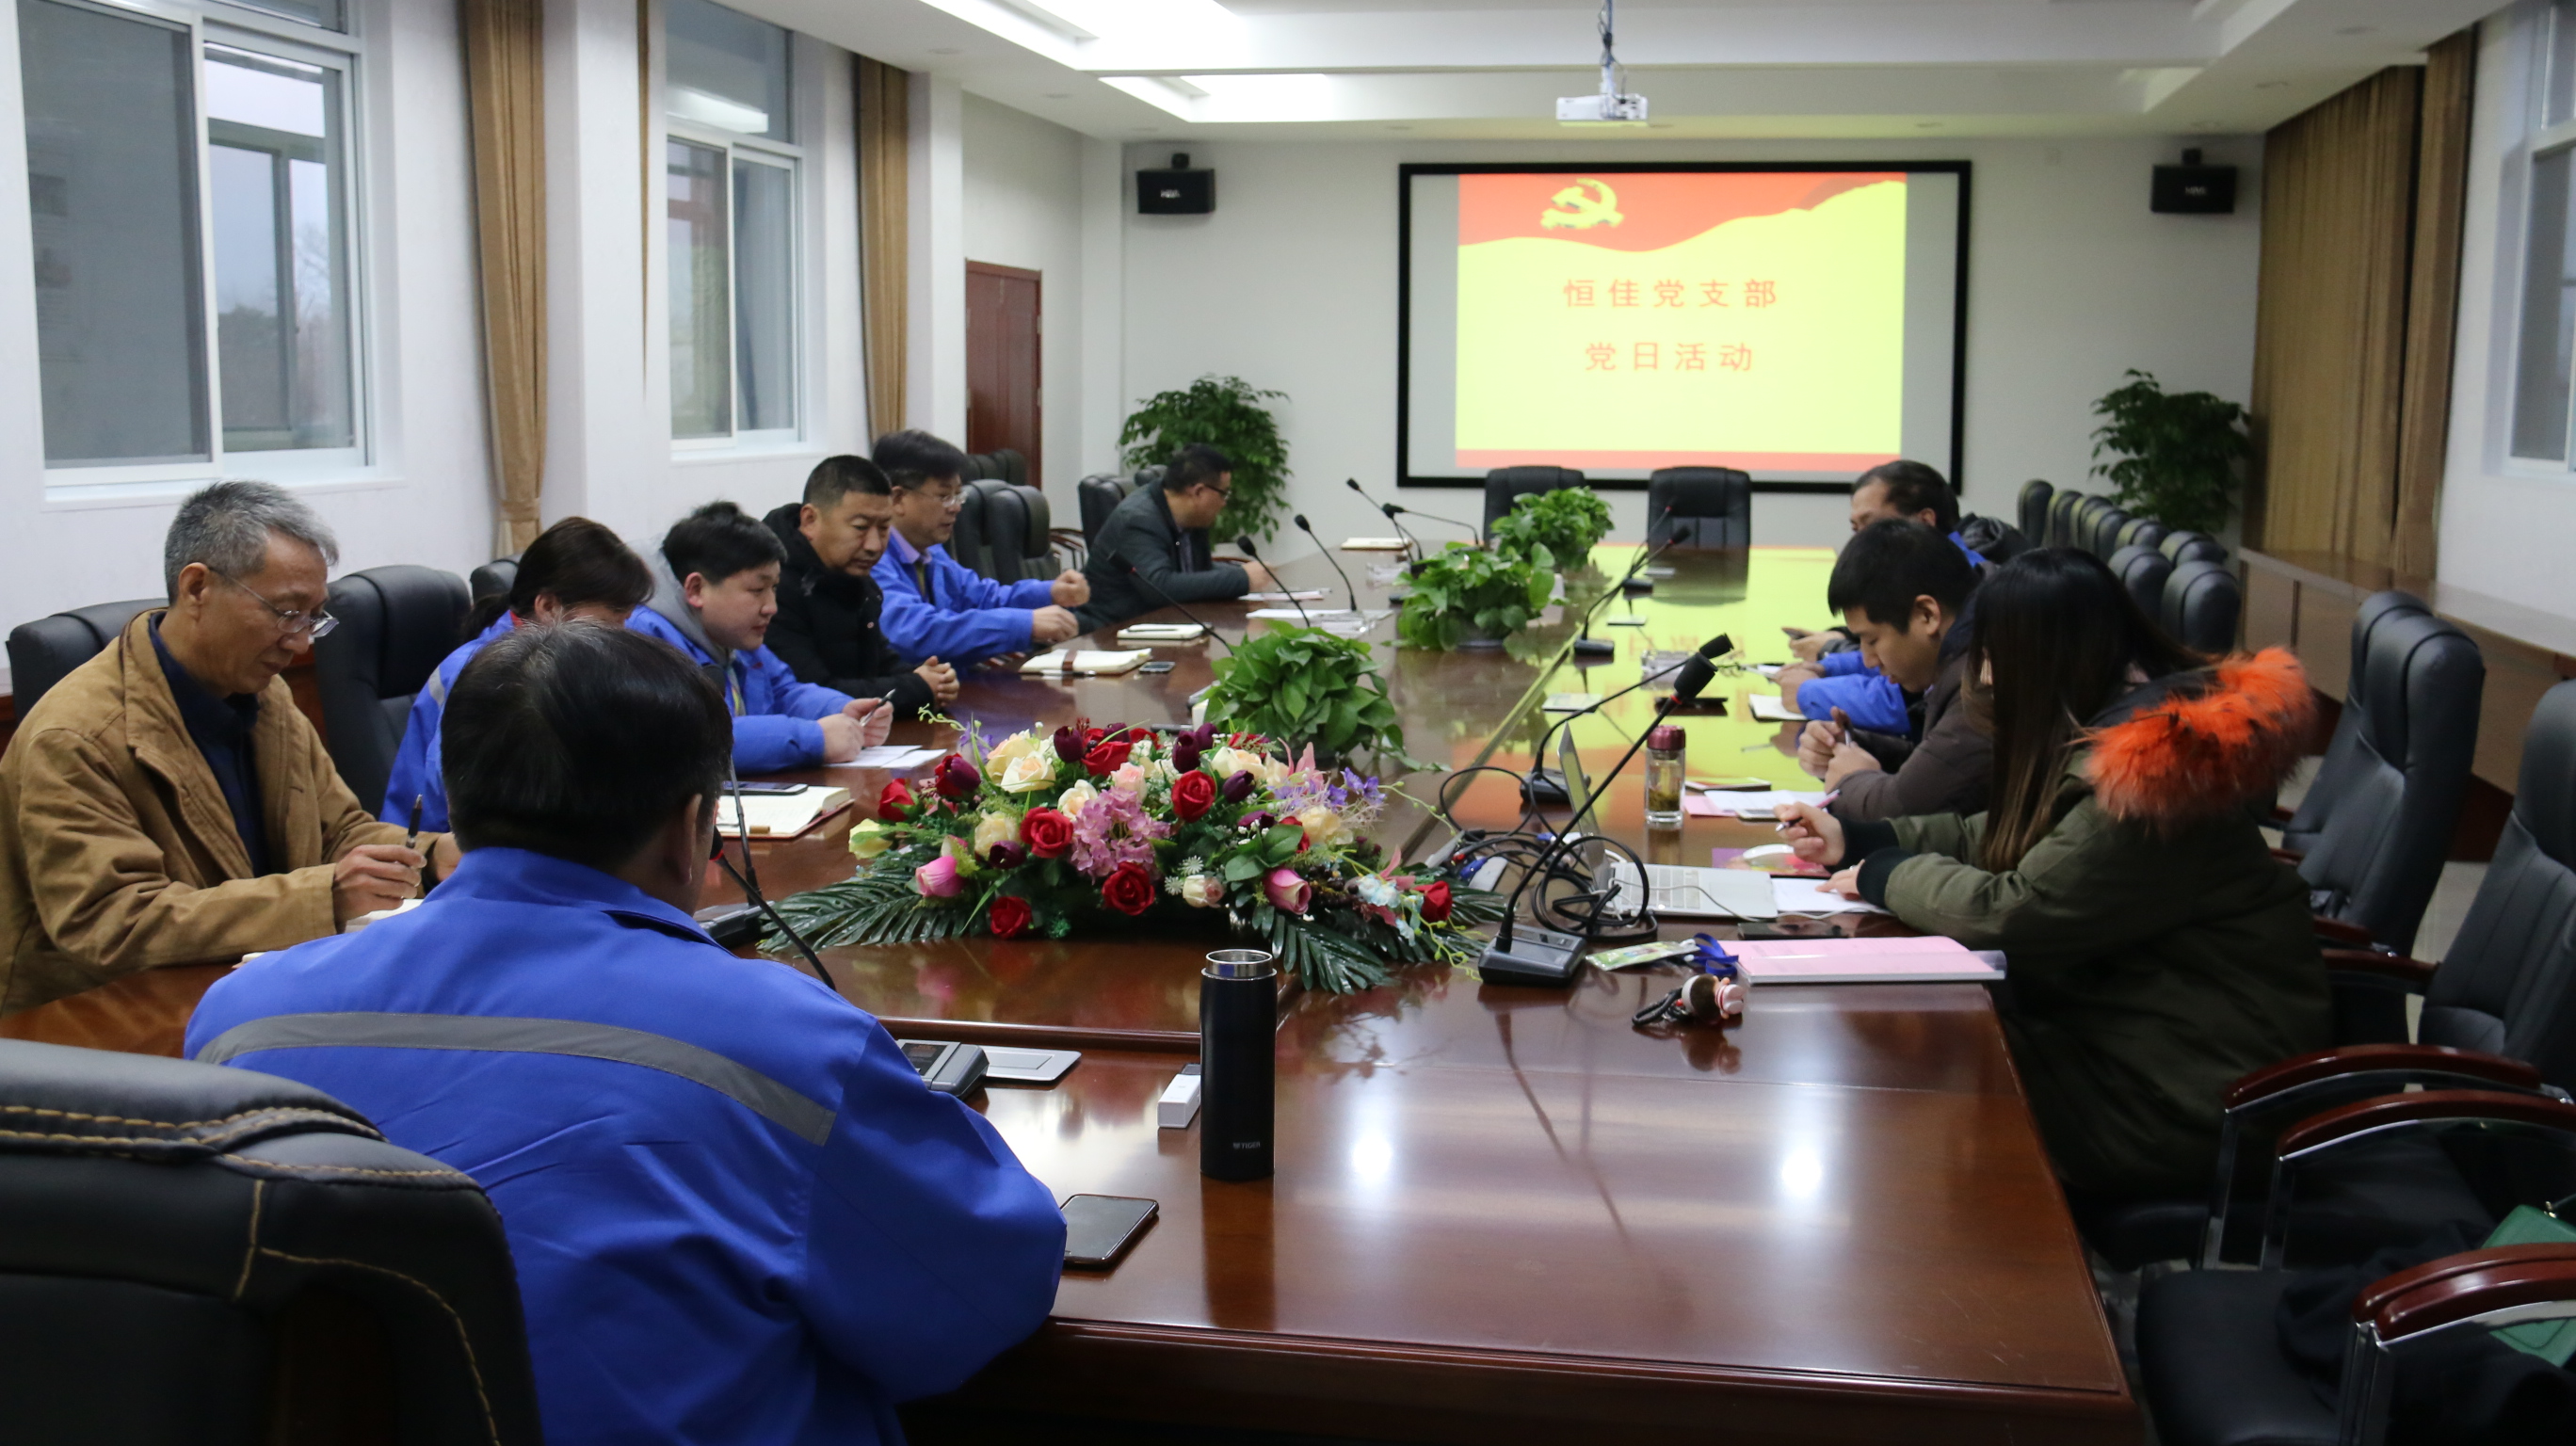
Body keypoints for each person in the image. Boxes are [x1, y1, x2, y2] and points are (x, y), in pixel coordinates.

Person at [185, 622, 1065, 1445]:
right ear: (692, 830)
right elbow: (988, 1290)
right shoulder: (783, 1044)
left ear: (453, 802)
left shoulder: (239, 1023)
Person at [1779, 549, 2328, 1198]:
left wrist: (1886, 875)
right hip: (2126, 1036)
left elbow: (2011, 910)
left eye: (1992, 656)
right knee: (1916, 1067)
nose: (1984, 676)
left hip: (2185, 1094)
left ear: (2043, 659)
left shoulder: (2150, 779)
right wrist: (1864, 839)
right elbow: (2007, 836)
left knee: (1921, 1098)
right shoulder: (2113, 728)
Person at [0, 482, 435, 1014]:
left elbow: (340, 834)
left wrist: (437, 857)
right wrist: (326, 895)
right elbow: (114, 924)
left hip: (246, 988)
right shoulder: (75, 737)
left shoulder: (266, 696)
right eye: (286, 612)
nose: (301, 642)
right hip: (95, 1020)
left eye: (313, 618)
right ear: (197, 588)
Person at [381, 517, 653, 832]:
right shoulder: (482, 674)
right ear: (548, 606)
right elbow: (470, 806)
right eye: (609, 623)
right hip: (435, 851)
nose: (620, 636)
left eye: (625, 621)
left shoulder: (572, 663)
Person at [630, 502, 891, 772]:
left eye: (774, 588)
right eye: (757, 590)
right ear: (696, 589)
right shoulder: (644, 643)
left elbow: (783, 691)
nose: (771, 607)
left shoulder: (734, 636)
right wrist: (814, 738)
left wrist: (840, 709)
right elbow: (696, 740)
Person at [1795, 519, 1989, 822]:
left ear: (1927, 615)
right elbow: (1942, 771)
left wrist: (1851, 780)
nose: (1869, 660)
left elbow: (1903, 810)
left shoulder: (1983, 676)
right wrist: (1854, 747)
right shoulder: (1971, 643)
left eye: (1872, 640)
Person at [1779, 460, 1989, 733]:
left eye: (1872, 524)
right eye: (1856, 529)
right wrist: (1829, 667)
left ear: (1924, 522)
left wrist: (1808, 692)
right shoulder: (1936, 578)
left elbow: (1907, 700)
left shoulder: (1969, 596)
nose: (1862, 541)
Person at [763, 455, 958, 720]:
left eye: (884, 528)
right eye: (860, 528)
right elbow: (812, 694)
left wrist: (932, 679)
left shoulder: (852, 576)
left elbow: (879, 662)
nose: (874, 545)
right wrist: (918, 688)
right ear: (809, 520)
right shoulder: (773, 587)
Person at [871, 429, 1089, 666]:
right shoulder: (872, 557)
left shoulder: (930, 551)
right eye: (944, 496)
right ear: (897, 499)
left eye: (958, 495)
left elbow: (982, 598)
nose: (955, 507)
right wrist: (1022, 625)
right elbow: (913, 632)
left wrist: (1049, 593)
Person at [1075, 443, 1280, 630]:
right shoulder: (1139, 519)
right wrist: (1241, 578)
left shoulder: (1191, 517)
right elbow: (1160, 586)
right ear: (1199, 492)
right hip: (1113, 631)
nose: (1224, 502)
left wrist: (1244, 574)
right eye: (1223, 493)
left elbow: (1198, 570)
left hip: (1163, 624)